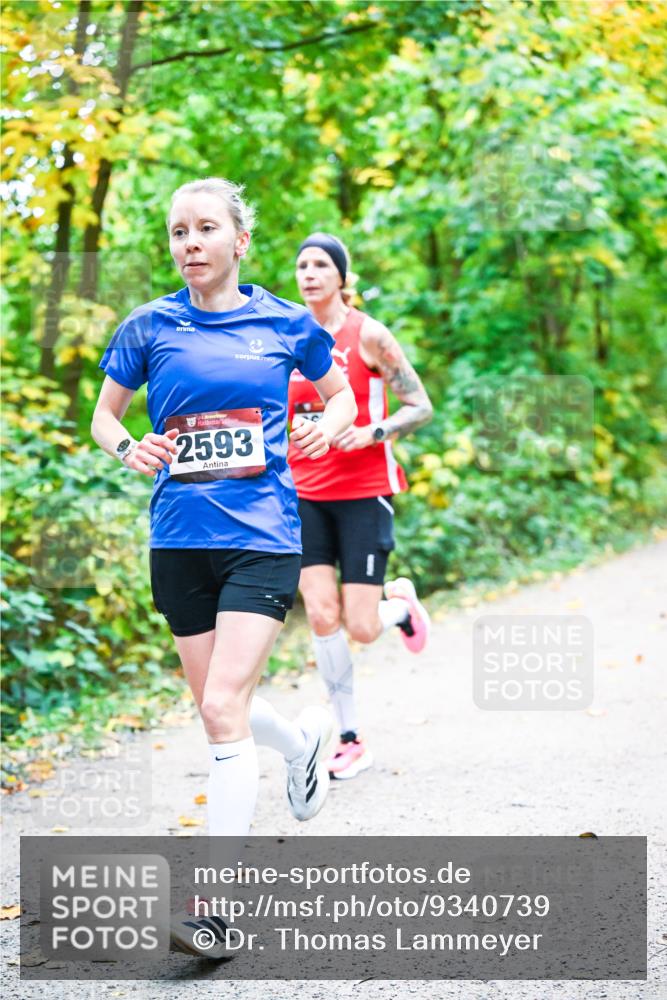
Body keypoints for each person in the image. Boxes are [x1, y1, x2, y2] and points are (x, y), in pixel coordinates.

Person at [91, 181, 357, 956]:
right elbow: (106, 415)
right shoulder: (148, 326)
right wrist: (127, 448)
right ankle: (303, 745)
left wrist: (324, 430)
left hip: (263, 537)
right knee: (218, 703)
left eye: (206, 228)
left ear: (239, 241)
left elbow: (337, 397)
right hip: (178, 540)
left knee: (219, 711)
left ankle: (215, 909)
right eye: (179, 232)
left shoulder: (282, 322)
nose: (190, 243)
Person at [288, 233, 434, 781]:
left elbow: (420, 406)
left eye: (321, 264)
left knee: (363, 626)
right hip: (303, 494)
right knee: (322, 616)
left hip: (363, 492)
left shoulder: (368, 334)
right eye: (302, 265)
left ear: (341, 276)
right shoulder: (286, 338)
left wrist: (373, 430)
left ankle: (400, 609)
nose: (309, 273)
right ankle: (349, 738)